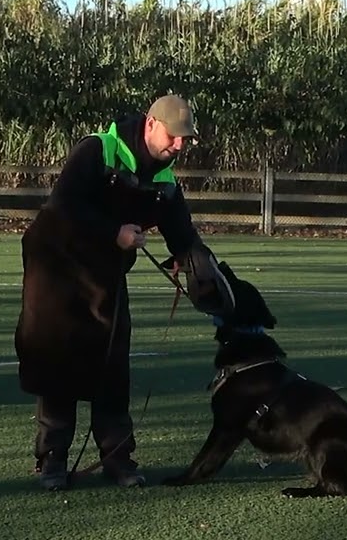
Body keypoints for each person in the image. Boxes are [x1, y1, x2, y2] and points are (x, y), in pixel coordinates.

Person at [14, 93, 230, 491]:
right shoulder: (98, 150)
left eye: (186, 139)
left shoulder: (165, 179)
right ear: (151, 124)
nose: (179, 146)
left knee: (113, 365)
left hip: (105, 272)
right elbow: (63, 206)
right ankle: (52, 460)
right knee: (57, 360)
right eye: (173, 136)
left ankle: (117, 458)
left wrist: (197, 262)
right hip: (55, 265)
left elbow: (182, 233)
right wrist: (114, 232)